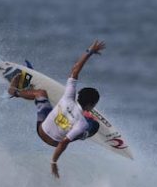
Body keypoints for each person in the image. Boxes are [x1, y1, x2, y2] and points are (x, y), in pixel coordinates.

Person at [8, 40, 106, 178]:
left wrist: (90, 51)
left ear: (78, 95)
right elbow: (64, 142)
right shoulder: (81, 123)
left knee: (40, 93)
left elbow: (75, 69)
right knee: (94, 125)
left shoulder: (68, 96)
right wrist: (53, 162)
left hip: (41, 129)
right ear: (90, 106)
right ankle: (85, 135)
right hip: (53, 142)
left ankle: (15, 92)